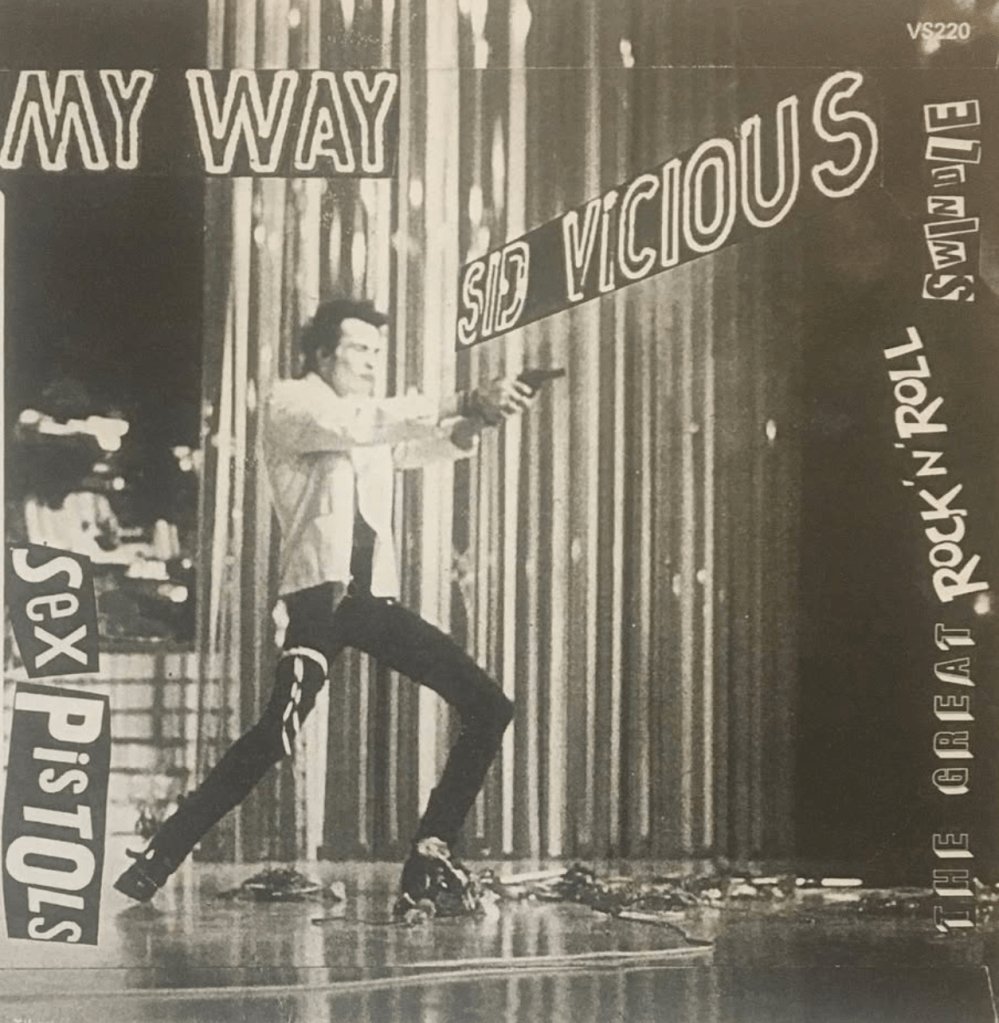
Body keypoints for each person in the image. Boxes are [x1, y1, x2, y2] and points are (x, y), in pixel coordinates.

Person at [114, 298, 536, 916]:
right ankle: (158, 858)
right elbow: (358, 426)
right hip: (318, 600)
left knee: (488, 705)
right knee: (274, 737)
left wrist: (476, 421)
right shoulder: (292, 402)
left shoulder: (364, 419)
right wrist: (467, 397)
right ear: (320, 354)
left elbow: (413, 446)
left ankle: (429, 857)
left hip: (367, 602)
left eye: (377, 352)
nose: (371, 362)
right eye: (358, 349)